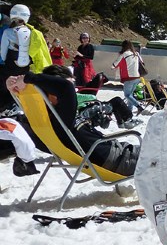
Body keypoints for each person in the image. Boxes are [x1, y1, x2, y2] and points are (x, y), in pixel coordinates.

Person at [6, 68, 140, 175]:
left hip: (120, 154)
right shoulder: (62, 118)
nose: (73, 93)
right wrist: (29, 78)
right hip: (123, 160)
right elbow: (65, 88)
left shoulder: (47, 122)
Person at [0, 4, 33, 112]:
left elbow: (3, 51)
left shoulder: (8, 32)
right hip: (25, 62)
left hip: (10, 62)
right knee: (21, 84)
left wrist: (4, 61)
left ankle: (4, 108)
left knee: (6, 85)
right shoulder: (31, 32)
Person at [111, 40, 145, 115]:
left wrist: (112, 67)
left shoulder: (124, 54)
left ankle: (139, 106)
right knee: (130, 95)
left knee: (127, 95)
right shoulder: (136, 53)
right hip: (137, 77)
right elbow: (142, 63)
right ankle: (129, 111)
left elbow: (115, 64)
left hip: (129, 78)